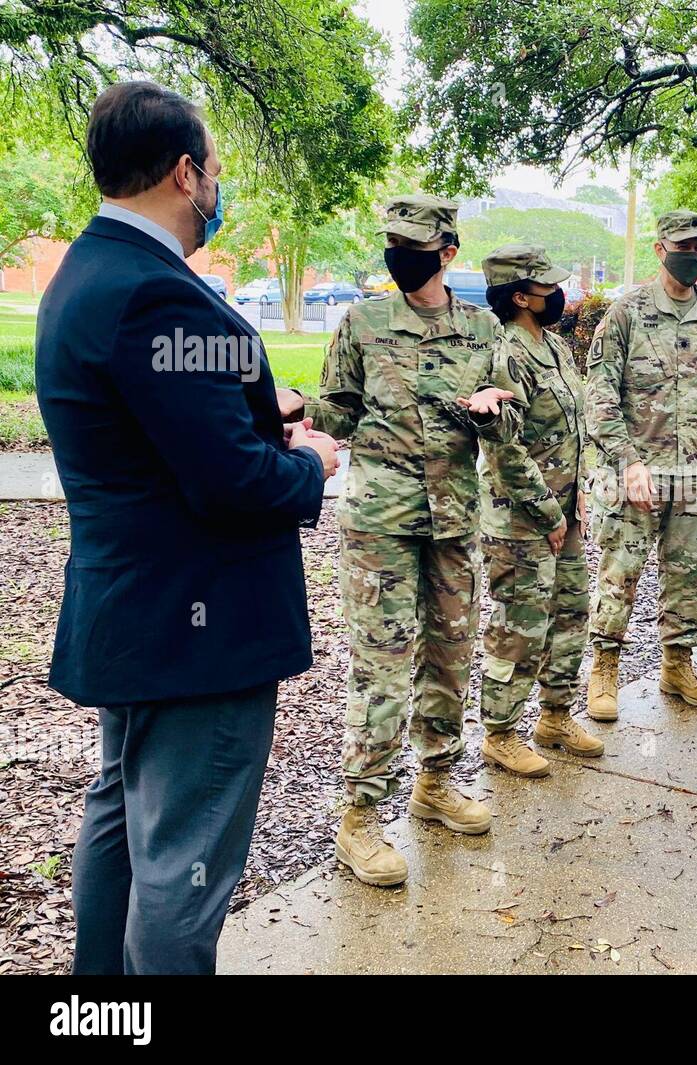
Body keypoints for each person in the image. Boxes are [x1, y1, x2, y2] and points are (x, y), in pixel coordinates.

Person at [36, 82, 336, 974]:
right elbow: (232, 484)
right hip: (195, 629)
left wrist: (253, 413)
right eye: (212, 172)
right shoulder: (152, 295)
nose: (215, 188)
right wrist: (311, 462)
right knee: (184, 863)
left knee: (123, 823)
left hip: (135, 613)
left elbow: (163, 436)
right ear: (182, 173)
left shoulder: (89, 273)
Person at [277, 195, 520, 889]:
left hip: (452, 519)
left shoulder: (480, 328)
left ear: (448, 251)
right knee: (380, 668)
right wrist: (299, 405)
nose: (398, 255)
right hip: (380, 519)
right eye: (392, 243)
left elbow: (508, 412)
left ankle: (434, 782)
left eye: (413, 245)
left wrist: (494, 411)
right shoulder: (364, 320)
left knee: (448, 656)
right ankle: (358, 818)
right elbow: (341, 411)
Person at [584, 210, 697, 719]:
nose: (692, 255)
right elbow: (600, 394)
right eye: (683, 246)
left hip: (696, 474)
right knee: (620, 574)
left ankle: (678, 665)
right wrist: (626, 461)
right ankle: (604, 670)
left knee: (688, 575)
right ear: (660, 249)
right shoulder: (627, 313)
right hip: (637, 474)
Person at [475, 244, 604, 776]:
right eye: (549, 288)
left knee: (571, 613)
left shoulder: (551, 346)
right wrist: (548, 514)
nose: (560, 295)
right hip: (522, 518)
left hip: (565, 512)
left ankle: (554, 714)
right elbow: (505, 448)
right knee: (519, 625)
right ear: (521, 296)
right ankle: (501, 733)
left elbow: (575, 428)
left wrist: (578, 503)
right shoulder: (507, 354)